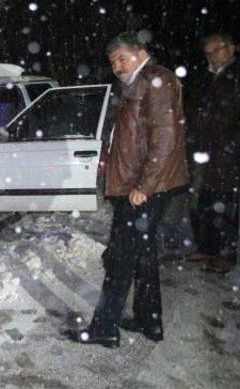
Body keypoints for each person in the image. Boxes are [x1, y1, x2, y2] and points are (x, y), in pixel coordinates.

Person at [72, 32, 189, 347]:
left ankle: (104, 328)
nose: (116, 65)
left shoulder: (158, 81)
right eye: (112, 61)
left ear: (142, 52)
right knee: (142, 254)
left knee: (121, 258)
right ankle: (149, 322)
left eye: (122, 57)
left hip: (143, 187)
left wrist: (144, 185)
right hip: (135, 184)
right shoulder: (134, 83)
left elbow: (165, 138)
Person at [186, 33, 240, 274]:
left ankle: (226, 254)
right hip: (206, 154)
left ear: (229, 49)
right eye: (207, 53)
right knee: (204, 202)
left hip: (229, 155)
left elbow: (227, 116)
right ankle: (206, 247)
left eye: (214, 51)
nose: (210, 57)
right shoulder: (209, 78)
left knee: (226, 207)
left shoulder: (235, 77)